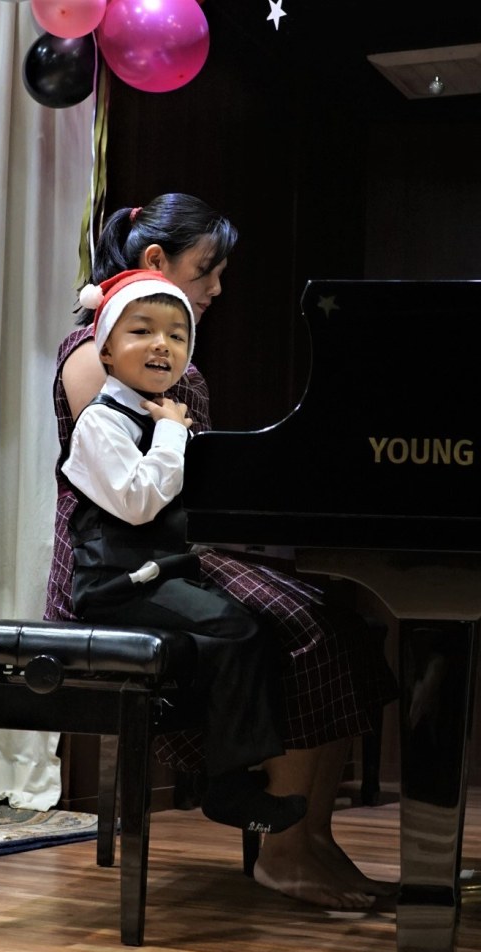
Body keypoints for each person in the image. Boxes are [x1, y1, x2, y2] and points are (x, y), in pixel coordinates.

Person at [45, 193, 398, 910]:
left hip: (178, 547)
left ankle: (314, 836)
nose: (216, 288)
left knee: (340, 615)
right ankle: (282, 849)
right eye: (207, 270)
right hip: (122, 565)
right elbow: (126, 493)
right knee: (303, 626)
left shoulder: (163, 348)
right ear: (156, 260)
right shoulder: (94, 352)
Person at [61, 268, 307, 835]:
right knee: (236, 629)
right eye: (141, 331)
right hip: (113, 586)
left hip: (158, 576)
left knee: (262, 623)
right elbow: (139, 503)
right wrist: (173, 432)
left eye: (176, 335)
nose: (161, 345)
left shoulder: (164, 417)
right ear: (105, 350)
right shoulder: (102, 421)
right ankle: (227, 786)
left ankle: (232, 772)